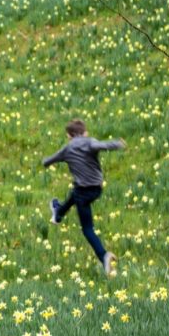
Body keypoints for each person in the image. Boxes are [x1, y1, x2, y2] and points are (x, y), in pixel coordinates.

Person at [42, 118, 126, 276]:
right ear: (85, 132)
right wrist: (117, 144)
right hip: (96, 189)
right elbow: (101, 145)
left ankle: (104, 256)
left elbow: (50, 160)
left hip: (82, 192)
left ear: (68, 135)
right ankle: (58, 212)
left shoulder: (67, 149)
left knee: (87, 229)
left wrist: (45, 162)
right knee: (75, 193)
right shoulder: (90, 142)